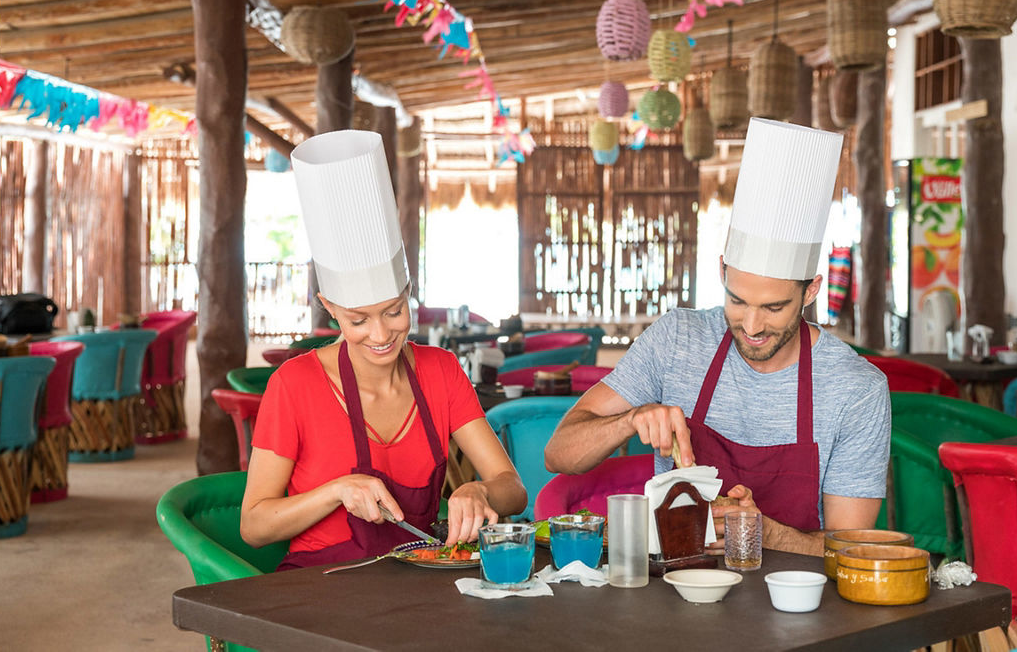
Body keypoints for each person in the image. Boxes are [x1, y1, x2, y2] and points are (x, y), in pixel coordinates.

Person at [545, 119, 890, 557]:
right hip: (674, 591)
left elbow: (851, 547)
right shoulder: (677, 340)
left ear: (811, 291)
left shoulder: (857, 389)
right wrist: (630, 420)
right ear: (722, 271)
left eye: (774, 308)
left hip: (799, 608)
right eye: (737, 300)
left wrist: (765, 533)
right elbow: (558, 454)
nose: (750, 325)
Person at [241, 130, 526, 570]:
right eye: (357, 320)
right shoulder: (294, 385)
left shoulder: (441, 371)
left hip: (417, 577)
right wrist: (336, 491)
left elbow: (513, 487)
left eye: (394, 311)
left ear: (409, 292)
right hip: (320, 586)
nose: (380, 334)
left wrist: (480, 490)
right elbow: (254, 527)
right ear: (330, 308)